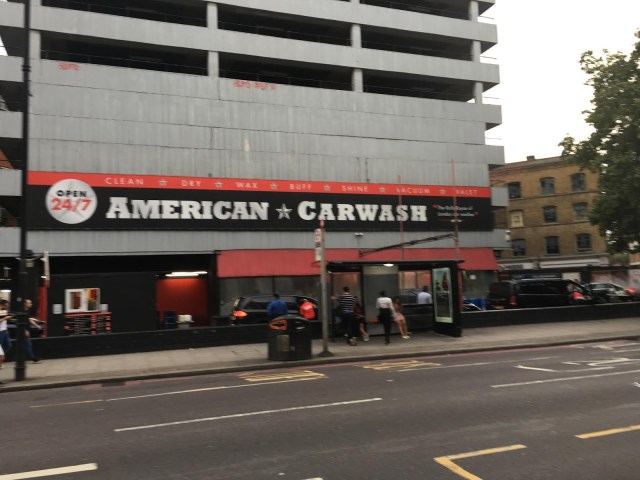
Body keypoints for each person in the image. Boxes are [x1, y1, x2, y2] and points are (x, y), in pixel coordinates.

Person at [23, 299, 42, 363]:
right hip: (24, 331)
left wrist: (36, 325)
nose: (31, 304)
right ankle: (33, 358)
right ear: (25, 303)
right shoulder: (23, 312)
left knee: (25, 345)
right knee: (29, 344)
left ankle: (20, 358)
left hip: (26, 330)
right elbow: (21, 322)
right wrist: (25, 330)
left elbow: (29, 320)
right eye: (29, 303)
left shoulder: (27, 311)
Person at [0, 299, 12, 366]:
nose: (6, 307)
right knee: (1, 347)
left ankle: (1, 358)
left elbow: (4, 321)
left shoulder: (4, 311)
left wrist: (6, 329)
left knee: (8, 345)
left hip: (4, 331)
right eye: (5, 305)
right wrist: (5, 318)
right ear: (2, 305)